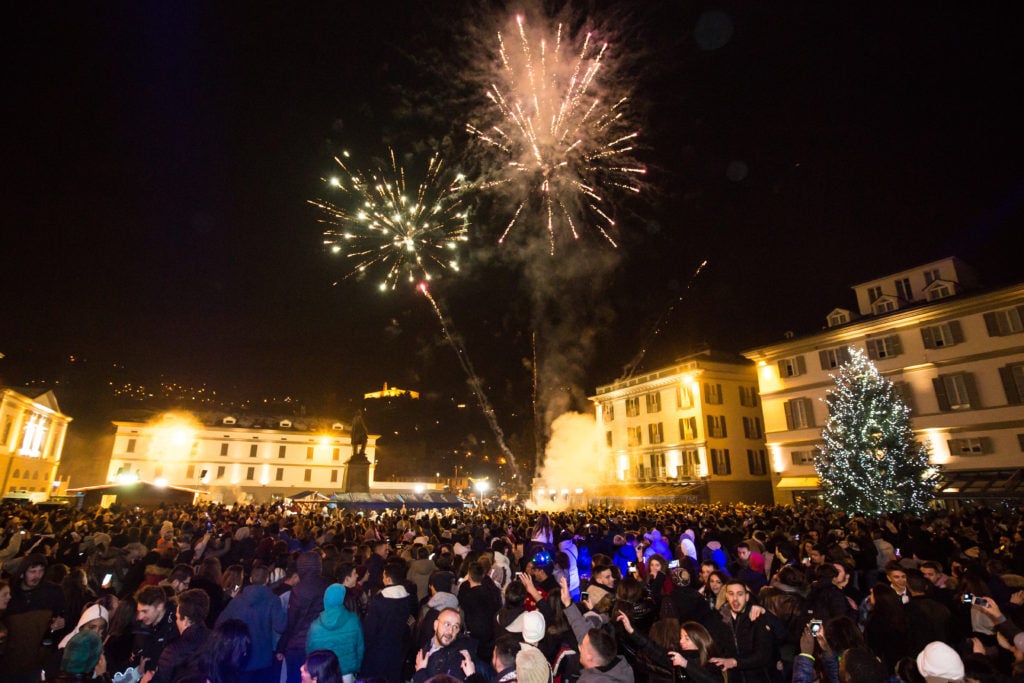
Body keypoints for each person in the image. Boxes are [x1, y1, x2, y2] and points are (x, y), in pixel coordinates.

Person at [217, 564, 287, 683]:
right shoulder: (273, 600)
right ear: (267, 580)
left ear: (250, 579)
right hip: (263, 656)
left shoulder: (238, 600)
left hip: (240, 654)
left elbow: (220, 623)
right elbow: (280, 627)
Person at [709, 580, 776, 682]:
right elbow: (718, 649)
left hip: (760, 678)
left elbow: (763, 655)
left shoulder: (756, 616)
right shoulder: (720, 620)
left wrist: (735, 662)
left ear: (747, 597)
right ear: (726, 596)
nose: (735, 598)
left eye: (739, 594)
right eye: (731, 594)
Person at [278, 551, 330, 683]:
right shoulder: (327, 585)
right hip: (321, 641)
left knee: (296, 677)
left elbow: (292, 620)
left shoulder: (299, 589)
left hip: (299, 644)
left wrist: (281, 646)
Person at [361, 562, 414, 683]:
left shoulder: (380, 600)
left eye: (384, 576)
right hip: (397, 649)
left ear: (388, 579)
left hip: (378, 650)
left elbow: (370, 629)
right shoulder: (406, 598)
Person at [146, 589, 213, 683]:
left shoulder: (173, 652)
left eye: (177, 617)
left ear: (185, 620)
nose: (176, 621)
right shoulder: (215, 640)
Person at [306, 584, 363, 683]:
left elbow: (310, 652)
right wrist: (356, 667)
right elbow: (360, 647)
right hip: (347, 673)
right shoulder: (353, 620)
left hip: (324, 674)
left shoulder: (315, 625)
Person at [412, 607, 480, 682]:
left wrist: (420, 672)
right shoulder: (426, 645)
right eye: (447, 624)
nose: (450, 631)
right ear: (436, 625)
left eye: (455, 627)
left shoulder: (459, 658)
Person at [132, 585, 178, 673]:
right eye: (139, 611)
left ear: (160, 607)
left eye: (145, 611)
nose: (140, 617)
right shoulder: (149, 624)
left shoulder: (173, 628)